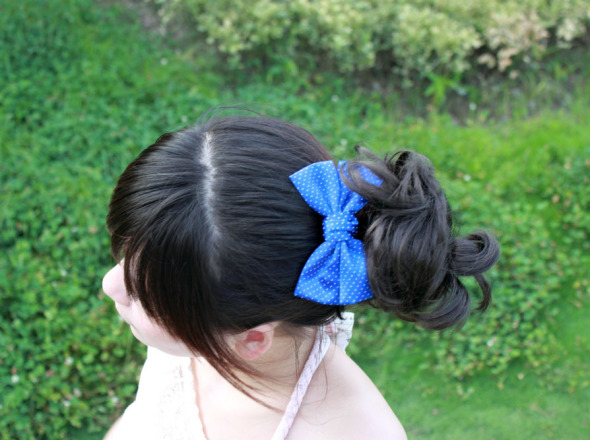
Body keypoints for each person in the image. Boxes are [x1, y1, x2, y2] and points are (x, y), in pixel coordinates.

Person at [101, 113, 499, 440]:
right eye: (124, 259)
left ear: (252, 339)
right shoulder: (197, 319)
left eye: (142, 295)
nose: (109, 284)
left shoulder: (355, 433)